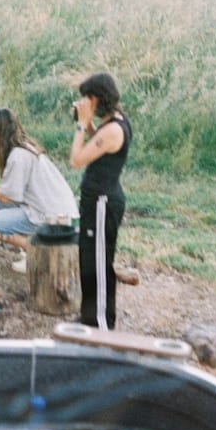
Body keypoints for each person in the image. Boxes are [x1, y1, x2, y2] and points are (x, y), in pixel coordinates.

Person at [0, 107, 79, 273]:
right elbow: (14, 193)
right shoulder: (25, 147)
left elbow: (6, 198)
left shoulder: (17, 156)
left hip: (53, 217)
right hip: (59, 210)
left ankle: (36, 251)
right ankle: (36, 247)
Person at [69, 72, 132, 330]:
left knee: (99, 263)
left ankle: (102, 322)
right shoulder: (114, 121)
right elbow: (99, 143)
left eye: (87, 98)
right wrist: (88, 126)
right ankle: (90, 316)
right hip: (97, 200)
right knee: (89, 260)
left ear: (96, 98)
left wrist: (81, 125)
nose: (85, 103)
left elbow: (76, 160)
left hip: (102, 202)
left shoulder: (114, 129)